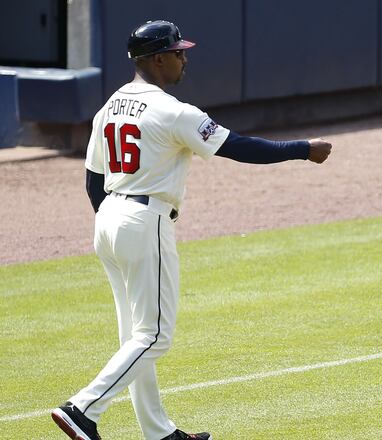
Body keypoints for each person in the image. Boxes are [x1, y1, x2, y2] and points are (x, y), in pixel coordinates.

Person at [51, 20, 332, 440]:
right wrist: (302, 150)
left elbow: (94, 179)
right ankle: (83, 408)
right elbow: (236, 146)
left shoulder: (110, 105)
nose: (185, 58)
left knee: (136, 338)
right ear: (157, 59)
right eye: (178, 52)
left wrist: (113, 225)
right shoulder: (172, 111)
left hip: (109, 218)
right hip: (144, 221)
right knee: (155, 337)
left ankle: (158, 433)